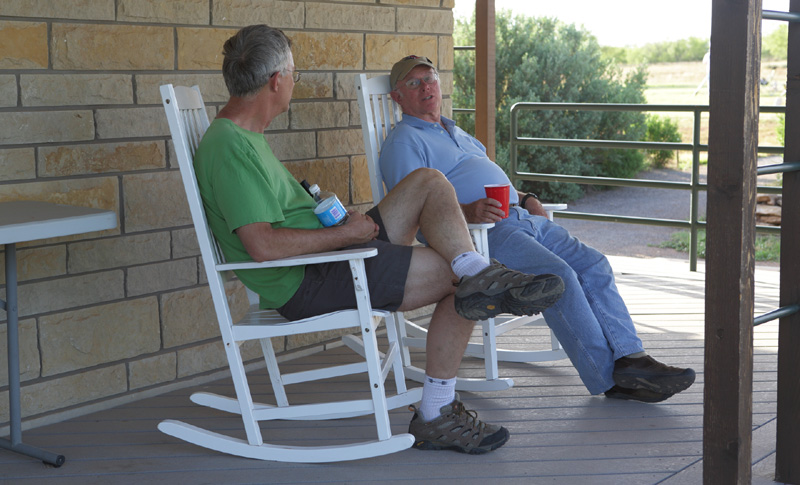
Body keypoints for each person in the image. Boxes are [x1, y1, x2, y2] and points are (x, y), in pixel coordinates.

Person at [192, 25, 567, 455]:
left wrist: (342, 226)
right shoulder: (230, 147)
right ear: (276, 81)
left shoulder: (244, 137)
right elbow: (263, 246)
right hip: (309, 278)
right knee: (462, 283)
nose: (294, 82)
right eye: (295, 74)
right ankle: (437, 413)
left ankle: (479, 272)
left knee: (429, 181)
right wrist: (345, 233)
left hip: (333, 251)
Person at [379, 55, 697, 403]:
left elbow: (490, 178)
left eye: (430, 78)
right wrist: (467, 212)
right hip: (485, 233)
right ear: (398, 97)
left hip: (522, 217)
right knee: (558, 276)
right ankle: (609, 378)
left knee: (594, 264)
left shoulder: (456, 131)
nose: (426, 87)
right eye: (414, 83)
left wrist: (526, 197)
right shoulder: (404, 142)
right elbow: (415, 211)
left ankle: (632, 360)